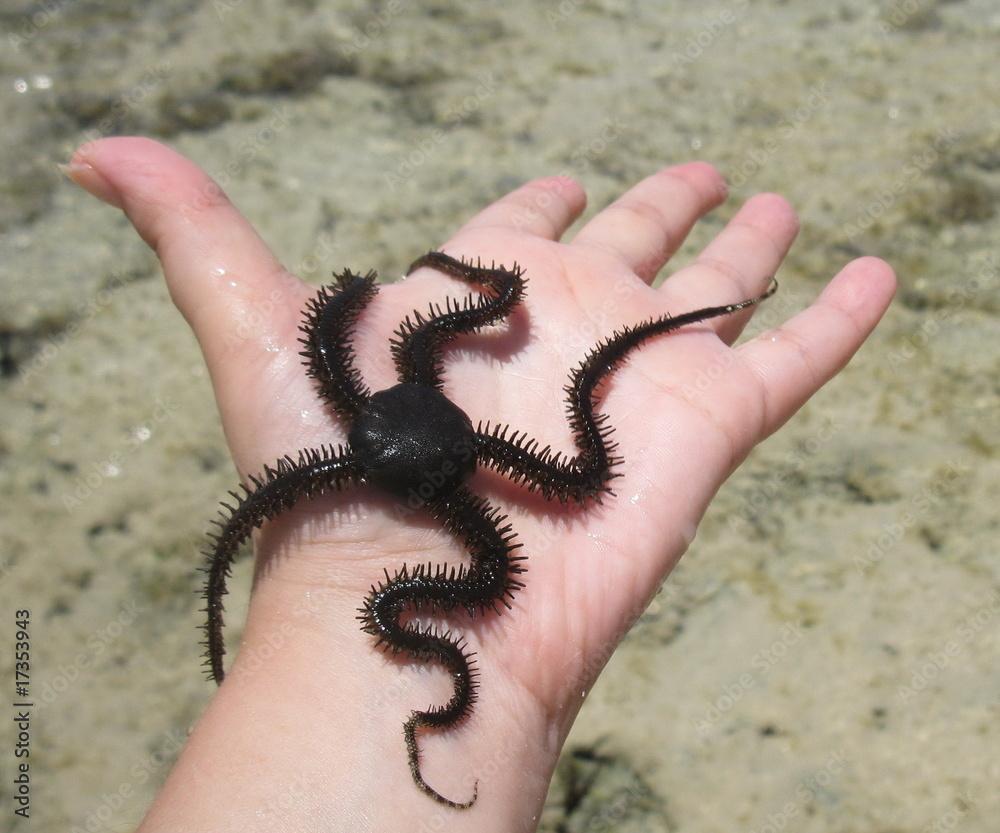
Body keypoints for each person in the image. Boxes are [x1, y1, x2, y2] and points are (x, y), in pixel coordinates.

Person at [63, 137, 895, 832]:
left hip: (430, 448)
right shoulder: (396, 411)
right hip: (425, 449)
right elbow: (349, 312)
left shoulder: (385, 401)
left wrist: (463, 282)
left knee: (585, 389)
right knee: (581, 392)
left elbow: (346, 312)